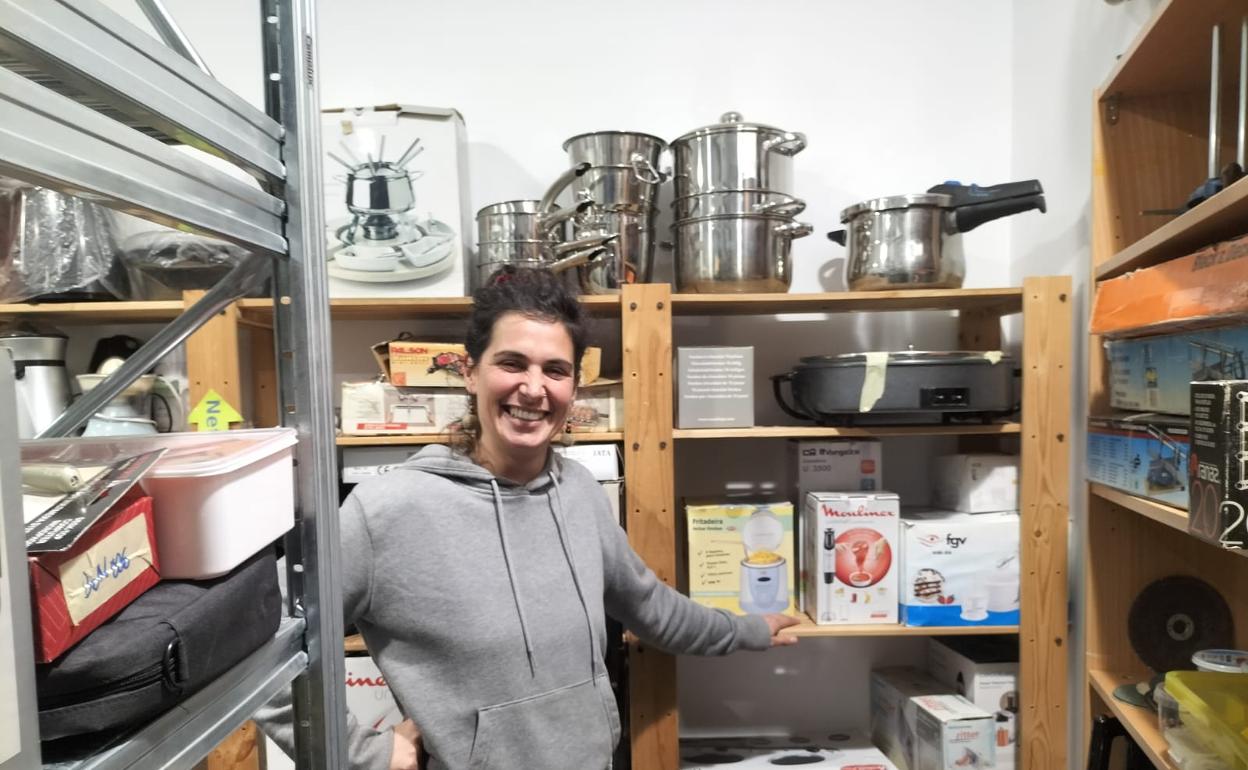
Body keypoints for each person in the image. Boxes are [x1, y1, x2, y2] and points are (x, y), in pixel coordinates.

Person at [260, 267, 799, 770]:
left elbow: (651, 607)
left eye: (555, 370)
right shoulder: (388, 510)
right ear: (471, 373)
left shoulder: (580, 491)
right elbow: (262, 645)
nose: (534, 389)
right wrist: (365, 754)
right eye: (512, 363)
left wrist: (748, 630)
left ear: (573, 388)